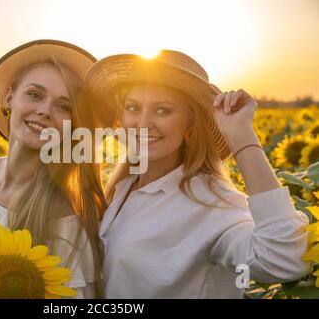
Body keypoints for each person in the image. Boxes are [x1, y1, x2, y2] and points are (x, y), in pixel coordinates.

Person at [85, 50, 312, 298]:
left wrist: (242, 137)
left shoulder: (210, 203)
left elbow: (285, 259)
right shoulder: (121, 187)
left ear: (190, 125)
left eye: (162, 110)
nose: (142, 122)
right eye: (132, 107)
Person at [0, 40, 111, 298]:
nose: (44, 111)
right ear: (10, 97)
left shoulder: (65, 208)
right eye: (35, 94)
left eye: (63, 106)